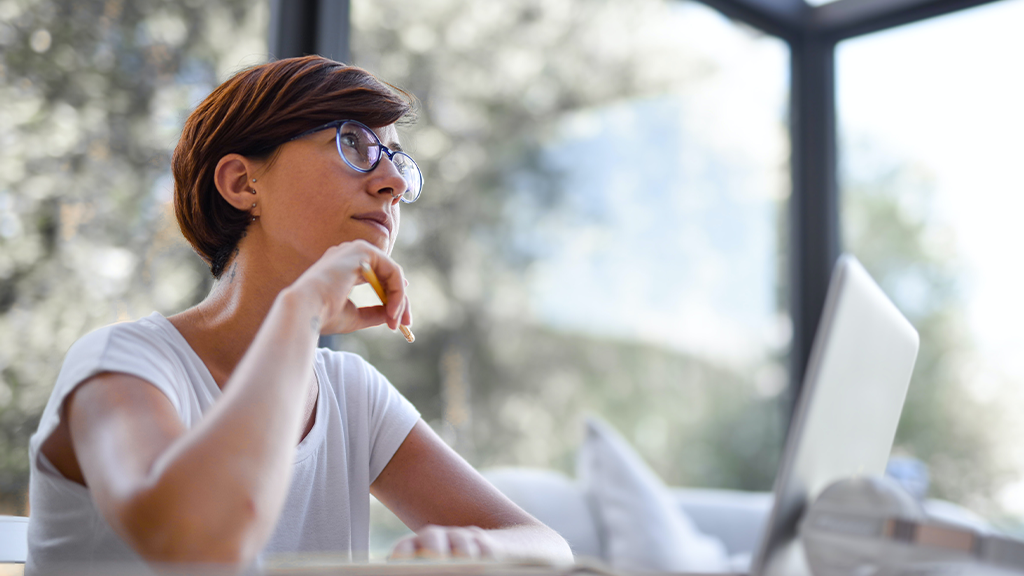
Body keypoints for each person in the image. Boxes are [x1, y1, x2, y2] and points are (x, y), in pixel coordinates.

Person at [25, 56, 572, 573]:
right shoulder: (121, 365)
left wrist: (472, 547)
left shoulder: (352, 393)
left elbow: (548, 548)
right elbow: (201, 544)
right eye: (353, 143)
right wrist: (301, 310)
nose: (395, 184)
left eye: (398, 160)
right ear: (243, 183)